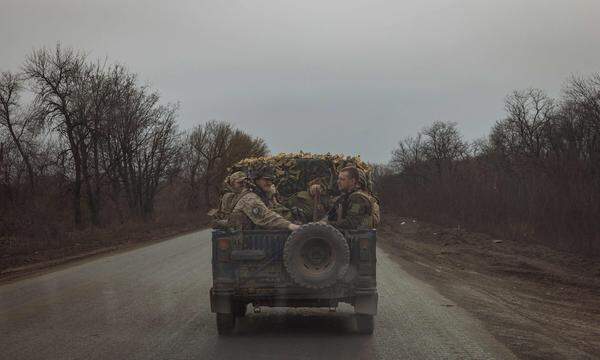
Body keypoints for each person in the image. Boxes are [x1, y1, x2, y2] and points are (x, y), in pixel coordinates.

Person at [229, 167, 300, 231]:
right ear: (256, 180)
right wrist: (290, 225)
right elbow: (265, 217)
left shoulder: (263, 195)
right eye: (265, 180)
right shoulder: (249, 198)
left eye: (271, 180)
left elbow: (277, 210)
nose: (269, 183)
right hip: (247, 240)